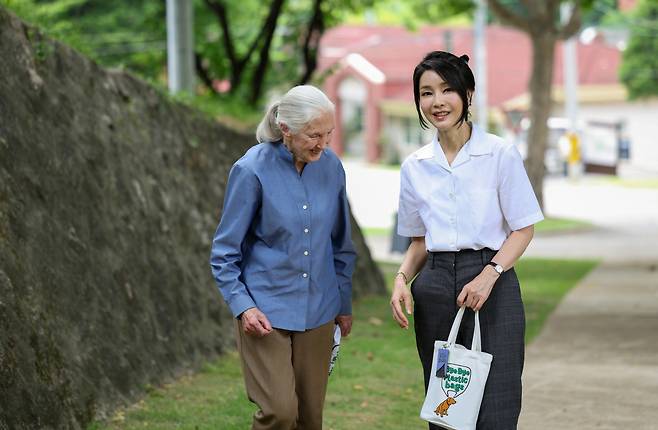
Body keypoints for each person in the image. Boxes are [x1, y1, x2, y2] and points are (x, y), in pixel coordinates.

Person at [390, 51, 544, 429]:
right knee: (448, 408)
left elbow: (523, 228)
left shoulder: (499, 154)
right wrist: (400, 279)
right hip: (436, 286)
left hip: (494, 281)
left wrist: (489, 274)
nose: (437, 101)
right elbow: (420, 241)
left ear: (468, 94)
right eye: (426, 93)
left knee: (498, 403)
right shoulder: (415, 166)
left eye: (447, 90)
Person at [210, 85, 356, 430]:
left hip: (320, 308)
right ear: (285, 129)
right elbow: (224, 252)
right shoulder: (250, 170)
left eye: (328, 134)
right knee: (279, 411)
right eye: (313, 135)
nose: (323, 143)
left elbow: (341, 244)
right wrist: (243, 306)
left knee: (310, 418)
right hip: (265, 312)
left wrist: (343, 304)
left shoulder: (332, 167)